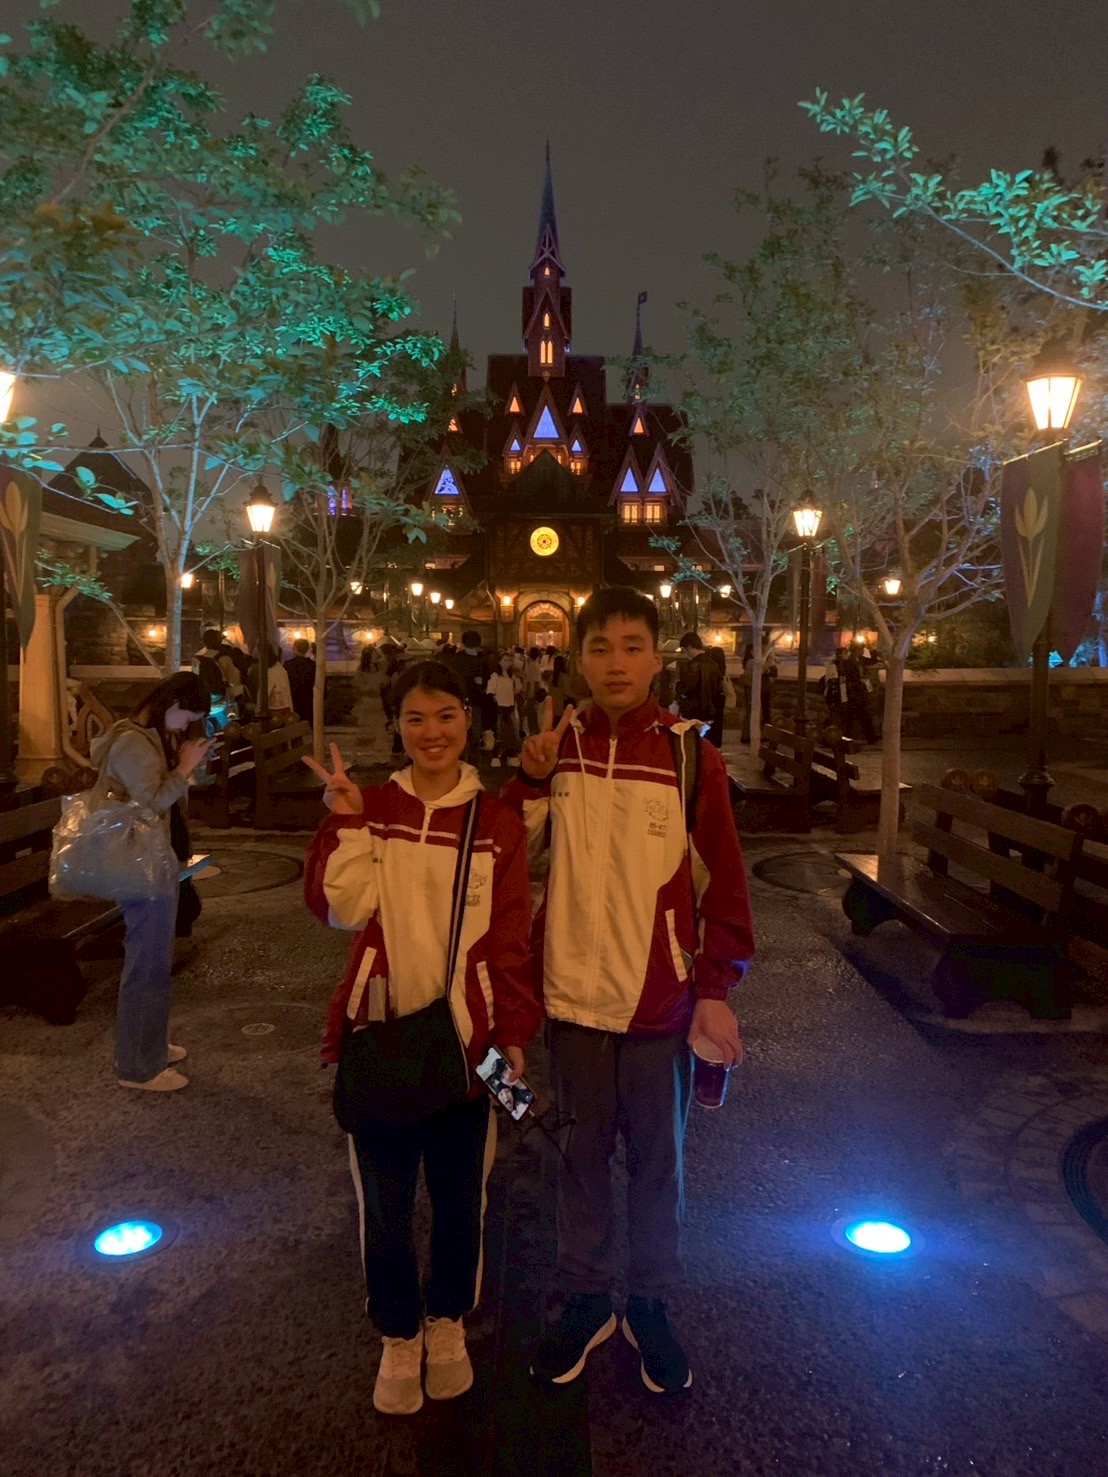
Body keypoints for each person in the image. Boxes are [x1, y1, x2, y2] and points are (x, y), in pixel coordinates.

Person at [504, 587, 754, 1395]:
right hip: (572, 999)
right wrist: (526, 782)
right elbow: (506, 861)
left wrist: (714, 985)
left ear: (657, 655)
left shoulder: (689, 757)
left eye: (633, 645)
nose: (616, 662)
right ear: (577, 658)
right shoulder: (555, 751)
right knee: (576, 1160)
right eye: (601, 646)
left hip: (659, 1004)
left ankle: (649, 1301)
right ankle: (586, 1300)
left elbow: (725, 885)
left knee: (657, 1163)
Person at [303, 660, 541, 1417]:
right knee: (383, 1202)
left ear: (469, 718)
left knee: (462, 1197)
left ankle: (447, 1323)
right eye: (414, 717)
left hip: (466, 1051)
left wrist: (514, 1035)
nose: (431, 731)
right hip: (380, 1040)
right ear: (396, 726)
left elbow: (510, 939)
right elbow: (340, 910)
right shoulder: (374, 807)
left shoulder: (496, 823)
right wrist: (345, 819)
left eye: (445, 715)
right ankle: (398, 1332)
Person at [88, 672, 215, 1092]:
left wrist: (183, 764)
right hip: (139, 864)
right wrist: (184, 768)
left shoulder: (147, 738)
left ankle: (150, 1045)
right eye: (186, 717)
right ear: (171, 703)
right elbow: (151, 803)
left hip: (154, 860)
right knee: (146, 965)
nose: (185, 726)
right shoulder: (132, 743)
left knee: (155, 961)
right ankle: (138, 1067)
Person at [675, 630, 723, 744]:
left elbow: (687, 689)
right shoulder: (713, 665)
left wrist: (678, 688)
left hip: (693, 713)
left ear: (689, 647)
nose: (685, 653)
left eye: (684, 650)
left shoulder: (693, 666)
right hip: (710, 712)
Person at [487, 652, 521, 767]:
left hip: (510, 706)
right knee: (499, 733)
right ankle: (496, 757)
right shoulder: (495, 676)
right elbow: (490, 692)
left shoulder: (511, 676)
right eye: (504, 660)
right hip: (499, 707)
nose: (507, 663)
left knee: (511, 733)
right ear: (499, 662)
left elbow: (517, 688)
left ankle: (509, 756)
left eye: (509, 661)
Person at [284, 637, 316, 725]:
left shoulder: (288, 665)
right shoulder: (313, 666)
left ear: (294, 648)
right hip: (309, 700)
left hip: (293, 700)